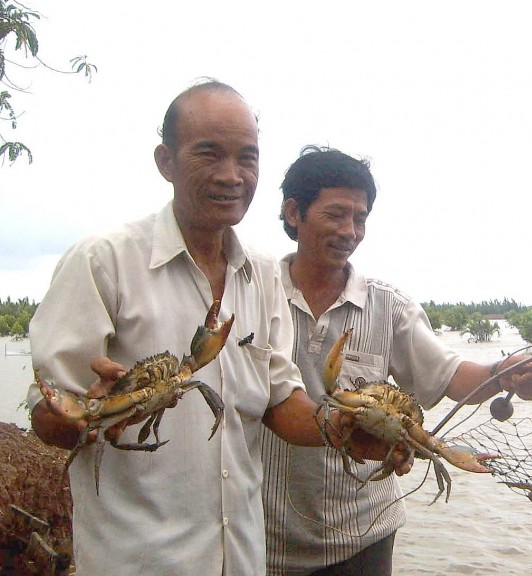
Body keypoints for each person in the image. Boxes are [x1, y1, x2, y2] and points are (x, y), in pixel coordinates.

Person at [26, 82, 395, 575]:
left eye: (247, 158)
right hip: (136, 559)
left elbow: (280, 399)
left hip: (241, 556)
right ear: (166, 161)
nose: (232, 176)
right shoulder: (103, 263)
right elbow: (49, 413)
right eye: (209, 154)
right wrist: (79, 415)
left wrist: (345, 430)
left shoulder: (263, 274)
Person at [261, 145, 532, 576]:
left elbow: (449, 376)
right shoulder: (255, 294)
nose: (350, 231)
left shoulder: (387, 307)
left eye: (360, 218)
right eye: (336, 214)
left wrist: (502, 373)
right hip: (259, 538)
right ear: (294, 212)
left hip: (362, 538)